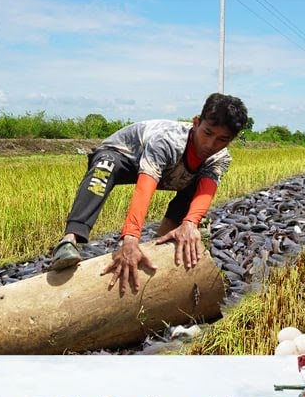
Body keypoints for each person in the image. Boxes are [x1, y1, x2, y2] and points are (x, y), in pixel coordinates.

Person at [49, 93, 249, 294]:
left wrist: (190, 224)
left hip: (171, 172)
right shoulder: (167, 141)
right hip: (125, 157)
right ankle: (69, 240)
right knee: (105, 166)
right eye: (207, 133)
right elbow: (145, 188)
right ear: (196, 123)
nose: (210, 145)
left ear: (231, 140)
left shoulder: (219, 157)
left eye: (222, 140)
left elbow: (206, 191)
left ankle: (160, 242)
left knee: (196, 189)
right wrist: (130, 240)